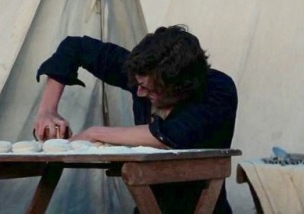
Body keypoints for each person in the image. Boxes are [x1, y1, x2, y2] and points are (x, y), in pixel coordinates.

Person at [34, 25, 238, 213]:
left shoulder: (217, 90)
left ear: (180, 87)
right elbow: (75, 47)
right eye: (137, 84)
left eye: (149, 89)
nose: (139, 92)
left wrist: (94, 132)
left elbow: (172, 134)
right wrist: (48, 111)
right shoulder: (145, 72)